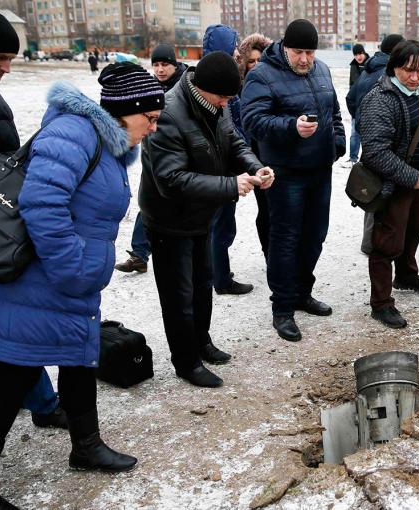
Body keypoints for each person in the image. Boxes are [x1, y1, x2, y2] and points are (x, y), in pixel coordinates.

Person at [0, 62, 165, 507]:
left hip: (64, 284)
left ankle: (86, 446)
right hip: (38, 282)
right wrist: (73, 267)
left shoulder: (104, 140)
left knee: (79, 357)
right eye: (148, 118)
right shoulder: (74, 134)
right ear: (123, 110)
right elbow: (42, 204)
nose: (153, 128)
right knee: (14, 377)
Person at [141, 52, 272, 388]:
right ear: (202, 88)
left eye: (230, 98)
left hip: (201, 214)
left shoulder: (216, 104)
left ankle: (202, 343)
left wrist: (254, 166)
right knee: (178, 295)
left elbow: (234, 142)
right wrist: (231, 184)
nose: (227, 103)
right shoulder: (169, 112)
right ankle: (186, 362)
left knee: (202, 285)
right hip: (169, 219)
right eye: (223, 97)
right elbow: (171, 178)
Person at [0, 10, 69, 431]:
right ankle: (25, 403)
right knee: (1, 317)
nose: (7, 67)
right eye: (0, 57)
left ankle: (34, 399)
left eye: (12, 58)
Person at [241, 19, 345, 342]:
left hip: (319, 170)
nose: (304, 59)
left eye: (310, 52)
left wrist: (337, 143)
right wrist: (291, 127)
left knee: (315, 236)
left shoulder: (323, 70)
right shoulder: (262, 75)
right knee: (286, 240)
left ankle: (302, 292)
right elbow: (252, 121)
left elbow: (335, 114)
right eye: (298, 51)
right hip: (285, 173)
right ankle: (282, 308)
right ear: (285, 48)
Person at [359, 40, 419, 328]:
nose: (415, 76)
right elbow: (375, 152)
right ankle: (381, 303)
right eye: (409, 70)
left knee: (414, 229)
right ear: (394, 67)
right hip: (392, 184)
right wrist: (411, 177)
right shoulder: (381, 98)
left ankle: (407, 276)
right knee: (386, 242)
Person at [115, 43, 188, 274]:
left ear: (174, 64)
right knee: (149, 201)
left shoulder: (187, 85)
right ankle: (139, 254)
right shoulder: (150, 86)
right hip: (153, 152)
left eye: (164, 64)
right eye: (155, 64)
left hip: (181, 154)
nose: (160, 69)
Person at [197, 24, 258, 296]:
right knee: (219, 228)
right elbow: (228, 129)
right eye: (233, 47)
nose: (237, 53)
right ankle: (219, 279)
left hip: (224, 169)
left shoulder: (222, 78)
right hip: (217, 172)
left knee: (221, 227)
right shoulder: (212, 85)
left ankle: (219, 275)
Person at [346, 33, 405, 255]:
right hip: (383, 140)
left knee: (372, 186)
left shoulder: (368, 69)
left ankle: (369, 241)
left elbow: (351, 98)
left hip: (369, 136)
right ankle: (373, 244)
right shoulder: (387, 73)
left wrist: (361, 122)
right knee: (380, 191)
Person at [232, 33, 273, 262]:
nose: (255, 66)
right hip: (252, 158)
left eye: (260, 61)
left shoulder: (272, 87)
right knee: (265, 209)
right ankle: (269, 253)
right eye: (251, 61)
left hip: (274, 154)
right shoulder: (237, 90)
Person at [348, 43, 369, 163]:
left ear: (364, 53)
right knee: (354, 133)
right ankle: (352, 158)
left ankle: (367, 158)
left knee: (369, 133)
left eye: (360, 53)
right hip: (356, 106)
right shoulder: (353, 66)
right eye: (356, 54)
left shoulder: (371, 64)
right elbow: (351, 86)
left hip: (369, 104)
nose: (359, 57)